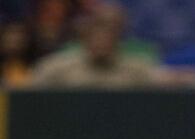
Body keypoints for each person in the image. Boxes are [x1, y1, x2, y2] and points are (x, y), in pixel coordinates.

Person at [29, 6, 167, 88]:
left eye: (107, 37)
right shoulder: (57, 67)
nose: (101, 43)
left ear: (117, 40)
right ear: (86, 39)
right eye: (96, 37)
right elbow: (30, 93)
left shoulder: (136, 69)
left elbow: (163, 89)